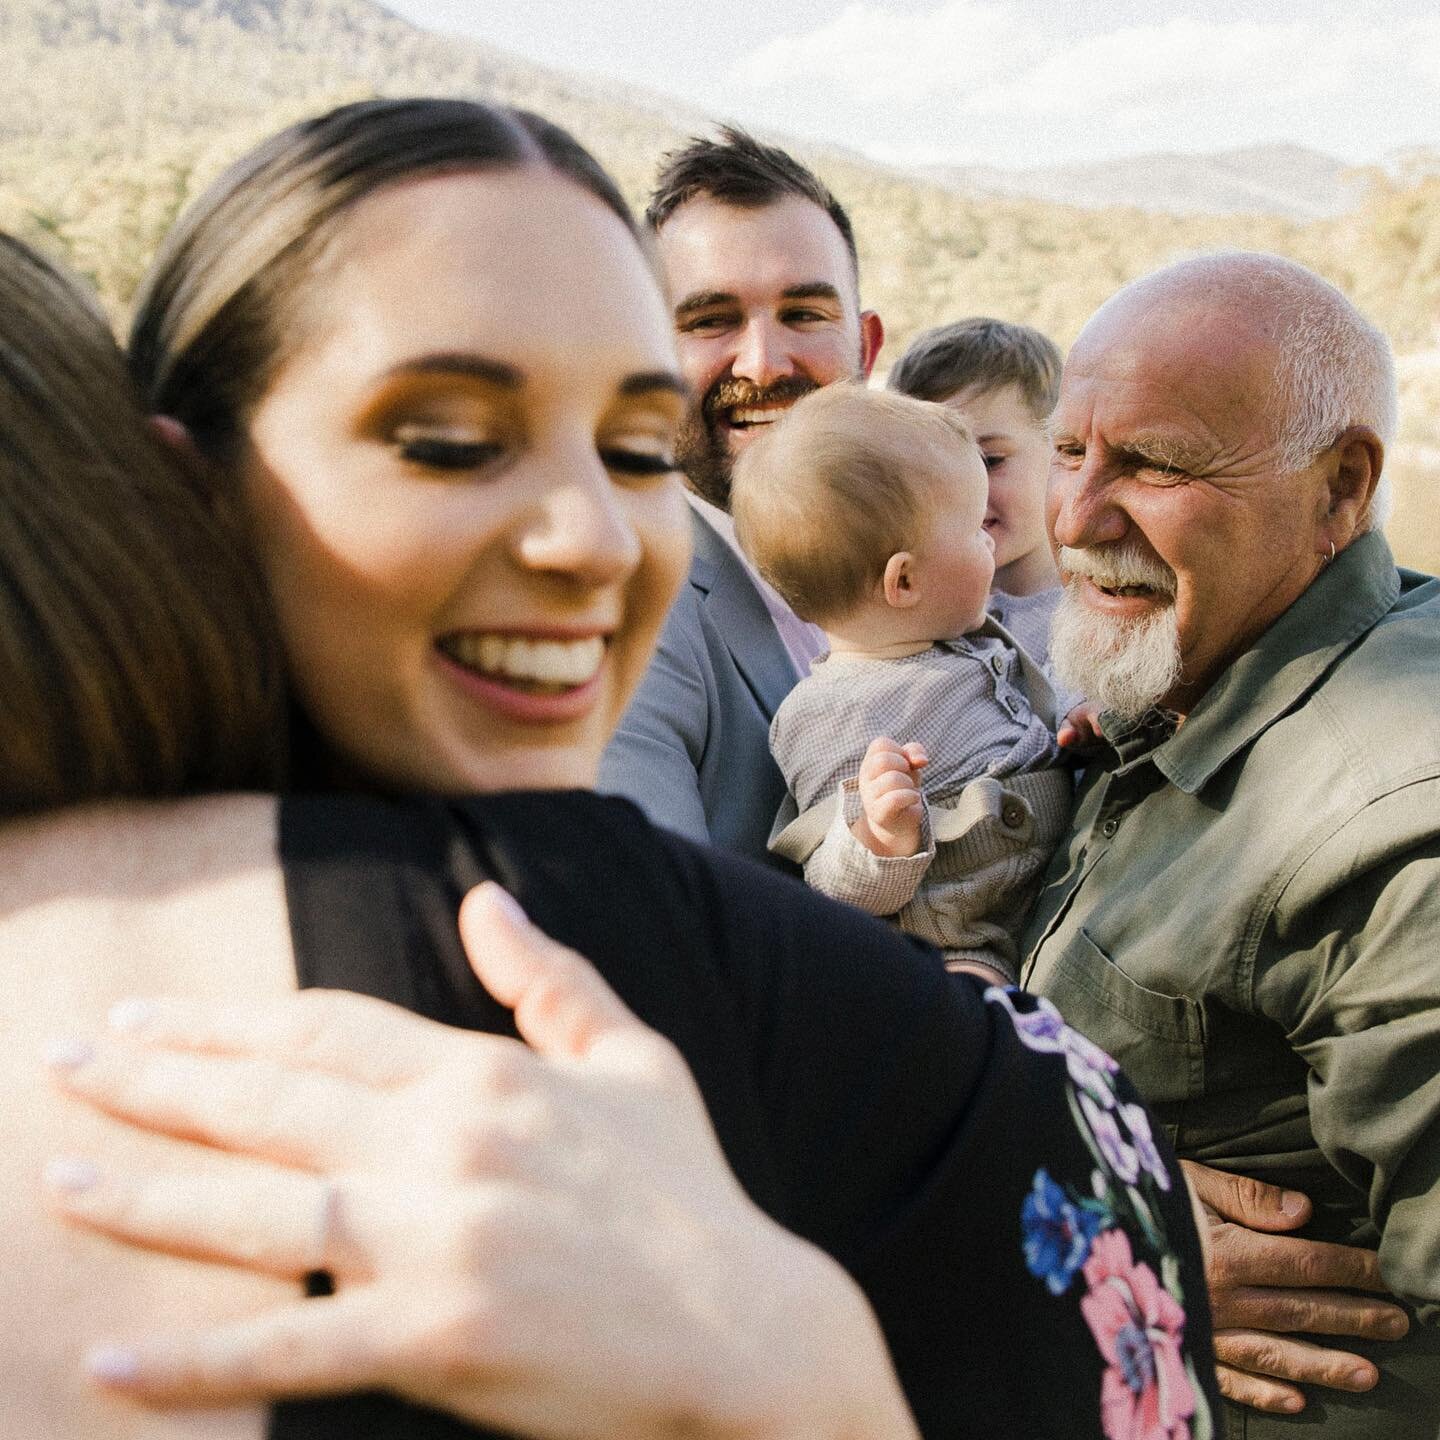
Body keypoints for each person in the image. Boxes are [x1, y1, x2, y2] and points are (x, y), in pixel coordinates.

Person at [0, 104, 1219, 1440]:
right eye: (451, 440)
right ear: (194, 489)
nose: (590, 538)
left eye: (634, 450)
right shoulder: (631, 927)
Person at [1022, 251, 1440, 1436]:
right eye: (1068, 451)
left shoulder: (1400, 824)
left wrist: (1113, 1263)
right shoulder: (1198, 659)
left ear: (1340, 487)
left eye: (1153, 464)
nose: (1074, 516)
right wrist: (1119, 1218)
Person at [597, 127, 884, 865]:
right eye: (711, 321)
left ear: (869, 347)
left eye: (804, 314)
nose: (761, 364)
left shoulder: (933, 557)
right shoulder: (622, 607)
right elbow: (659, 924)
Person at [731, 384, 1070, 985]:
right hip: (962, 936)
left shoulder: (973, 634)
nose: (990, 540)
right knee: (971, 1002)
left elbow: (1038, 712)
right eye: (972, 529)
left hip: (1055, 875)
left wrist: (1078, 719)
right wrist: (878, 835)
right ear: (904, 581)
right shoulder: (829, 712)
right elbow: (831, 881)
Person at [886, 317, 1064, 669]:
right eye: (926, 471)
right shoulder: (906, 616)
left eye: (990, 460)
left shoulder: (1097, 612)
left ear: (1061, 448)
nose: (961, 491)